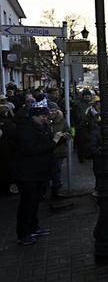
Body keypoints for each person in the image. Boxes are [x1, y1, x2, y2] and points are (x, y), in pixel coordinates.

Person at [13, 100, 69, 244]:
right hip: (27, 173)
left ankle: (34, 227)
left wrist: (61, 140)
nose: (46, 118)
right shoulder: (25, 129)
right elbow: (31, 149)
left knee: (35, 200)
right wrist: (54, 142)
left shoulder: (41, 126)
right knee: (28, 202)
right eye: (43, 116)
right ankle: (23, 233)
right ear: (34, 116)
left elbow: (49, 143)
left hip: (39, 171)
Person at [47, 102, 72, 199]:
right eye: (51, 111)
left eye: (55, 111)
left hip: (59, 150)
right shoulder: (44, 121)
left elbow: (69, 131)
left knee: (57, 171)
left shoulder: (62, 120)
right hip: (47, 150)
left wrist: (66, 136)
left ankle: (55, 190)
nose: (53, 113)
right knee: (47, 170)